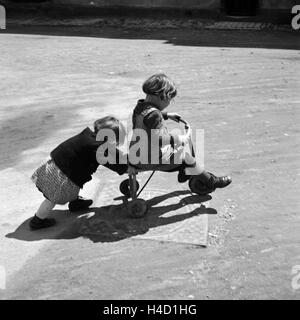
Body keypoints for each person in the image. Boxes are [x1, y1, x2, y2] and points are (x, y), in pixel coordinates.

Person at [130, 73, 232, 192]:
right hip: (150, 160)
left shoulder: (140, 106)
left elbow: (145, 119)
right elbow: (159, 139)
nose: (169, 103)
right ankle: (211, 181)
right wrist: (179, 139)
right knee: (187, 157)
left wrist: (166, 115)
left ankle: (185, 172)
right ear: (162, 96)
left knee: (181, 150)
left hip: (136, 153)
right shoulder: (155, 115)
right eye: (169, 100)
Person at [30, 116, 128, 230]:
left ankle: (75, 202)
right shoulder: (97, 148)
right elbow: (111, 161)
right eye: (115, 142)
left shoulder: (88, 136)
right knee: (52, 199)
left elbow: (111, 153)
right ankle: (37, 221)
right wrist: (124, 168)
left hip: (54, 168)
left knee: (72, 183)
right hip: (61, 176)